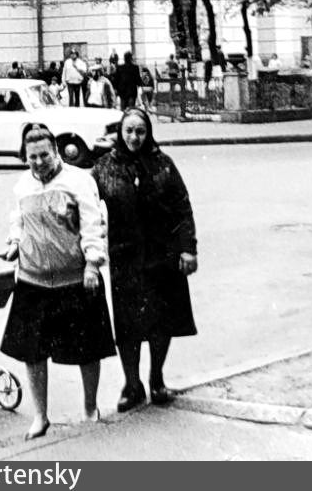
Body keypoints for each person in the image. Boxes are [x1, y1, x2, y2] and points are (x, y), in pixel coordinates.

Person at [0, 126, 114, 436]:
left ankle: (90, 409)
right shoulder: (23, 186)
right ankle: (40, 416)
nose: (38, 162)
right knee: (32, 352)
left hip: (75, 278)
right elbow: (18, 219)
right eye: (32, 157)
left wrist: (92, 265)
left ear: (56, 152)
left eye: (44, 155)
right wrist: (14, 242)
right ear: (25, 156)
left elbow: (93, 223)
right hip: (33, 279)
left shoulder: (78, 181)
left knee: (87, 348)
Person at [92, 107, 198, 412]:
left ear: (148, 133)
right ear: (120, 132)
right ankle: (132, 385)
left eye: (140, 131)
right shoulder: (104, 167)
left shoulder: (164, 164)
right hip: (125, 257)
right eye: (129, 131)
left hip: (163, 254)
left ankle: (156, 379)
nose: (134, 137)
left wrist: (188, 248)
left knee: (161, 321)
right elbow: (86, 207)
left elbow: (182, 207)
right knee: (128, 325)